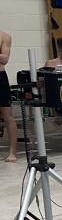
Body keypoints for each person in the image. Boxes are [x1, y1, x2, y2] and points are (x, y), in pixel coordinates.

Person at [0, 27, 17, 161]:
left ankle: (13, 152)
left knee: (8, 116)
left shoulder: (4, 36)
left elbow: (4, 59)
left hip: (0, 77)